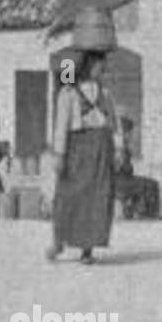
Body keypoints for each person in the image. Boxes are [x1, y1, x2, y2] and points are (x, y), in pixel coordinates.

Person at [48, 49, 121, 264]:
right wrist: (59, 155)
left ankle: (87, 249)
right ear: (88, 66)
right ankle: (58, 241)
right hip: (76, 149)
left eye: (103, 65)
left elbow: (114, 125)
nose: (103, 69)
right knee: (68, 196)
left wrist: (118, 149)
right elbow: (60, 126)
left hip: (100, 149)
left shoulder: (106, 94)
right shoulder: (68, 93)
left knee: (97, 199)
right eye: (99, 65)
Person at [112, 117, 160, 219]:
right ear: (125, 132)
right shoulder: (117, 147)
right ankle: (148, 214)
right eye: (130, 133)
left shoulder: (122, 146)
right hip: (118, 182)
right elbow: (117, 167)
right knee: (151, 184)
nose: (131, 136)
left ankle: (140, 211)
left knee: (147, 183)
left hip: (123, 179)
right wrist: (120, 158)